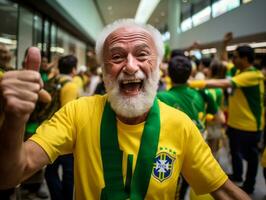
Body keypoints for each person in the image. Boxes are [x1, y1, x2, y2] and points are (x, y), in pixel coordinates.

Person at [0, 19, 251, 200]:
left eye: (142, 54)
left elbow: (223, 190)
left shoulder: (180, 124)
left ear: (158, 65)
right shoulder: (78, 113)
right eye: (117, 57)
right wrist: (15, 120)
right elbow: (10, 176)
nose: (130, 67)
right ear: (103, 69)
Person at [189, 45, 264, 194]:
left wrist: (190, 83)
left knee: (251, 157)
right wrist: (223, 43)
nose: (232, 59)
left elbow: (224, 83)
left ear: (244, 58)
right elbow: (224, 60)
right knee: (235, 152)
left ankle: (250, 185)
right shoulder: (237, 71)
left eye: (235, 56)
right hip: (235, 123)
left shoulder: (252, 75)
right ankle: (237, 176)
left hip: (250, 126)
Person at [44, 55, 80, 200]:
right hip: (64, 135)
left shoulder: (54, 80)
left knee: (50, 171)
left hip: (49, 128)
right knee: (68, 172)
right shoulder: (70, 86)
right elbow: (67, 113)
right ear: (74, 69)